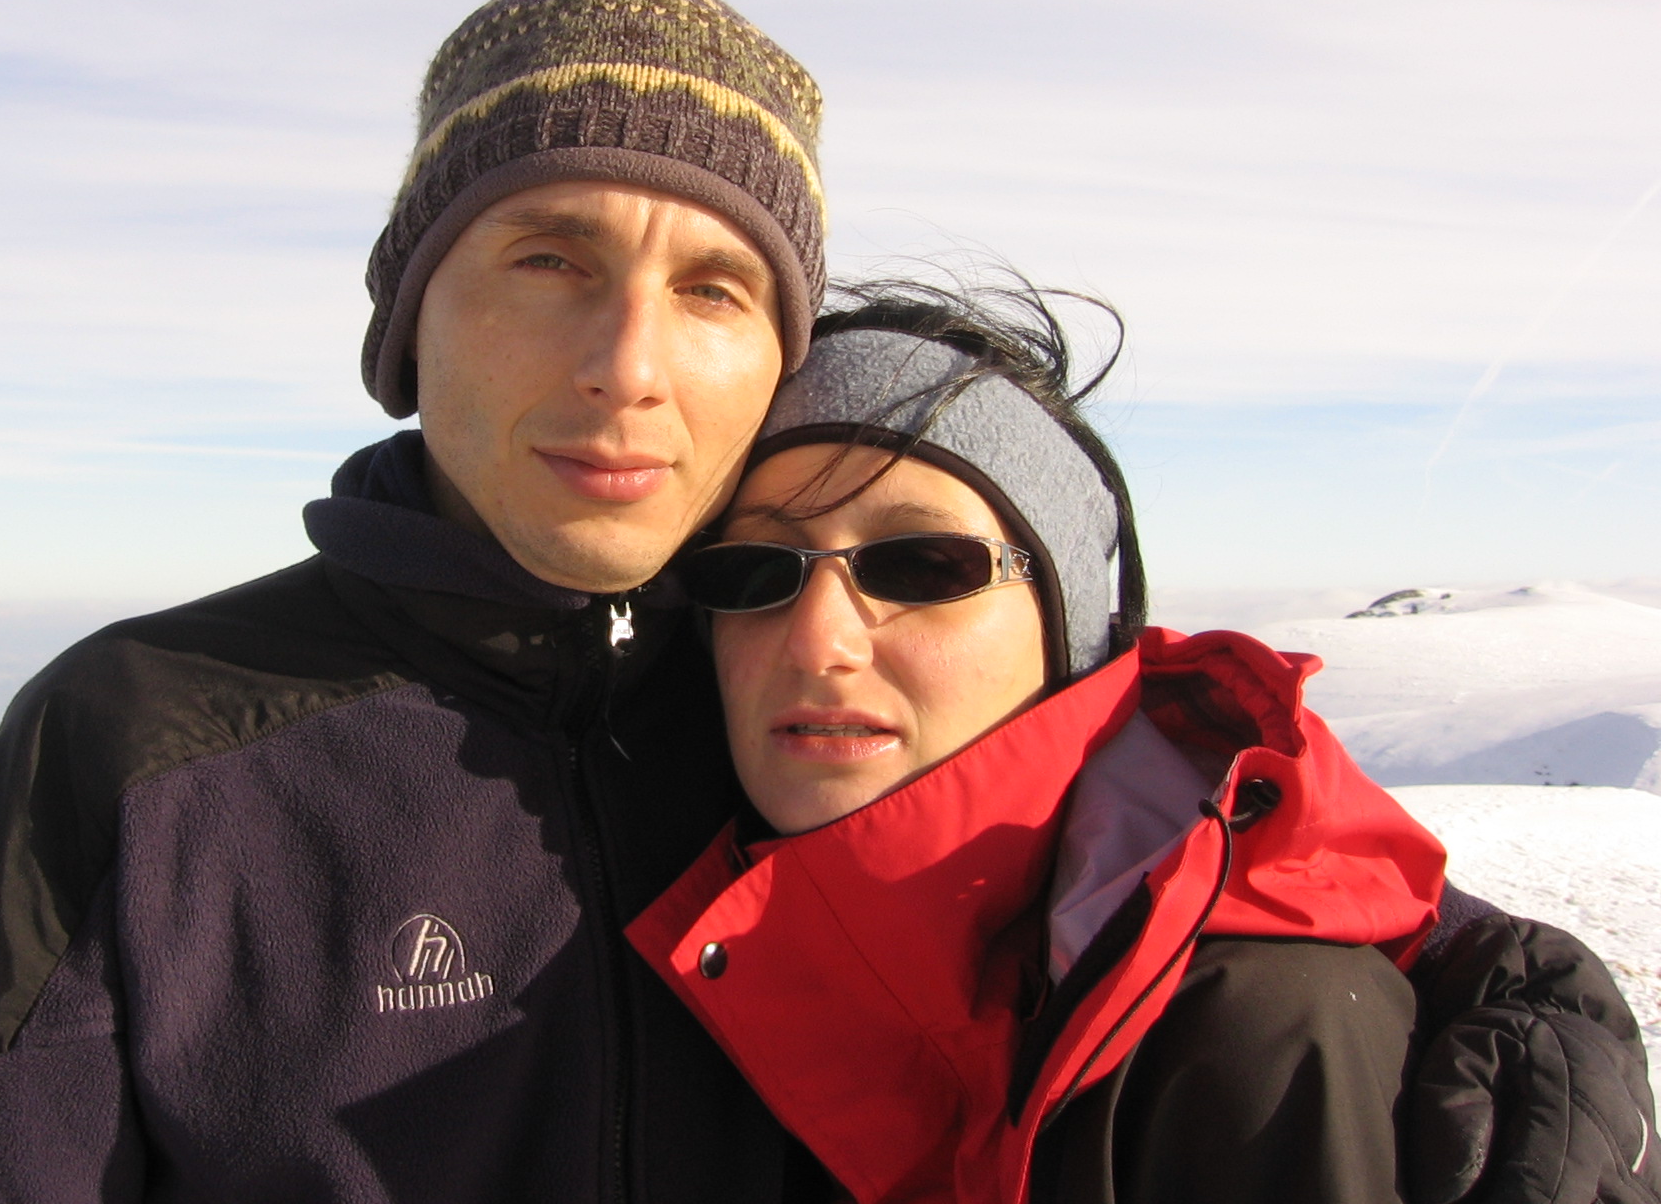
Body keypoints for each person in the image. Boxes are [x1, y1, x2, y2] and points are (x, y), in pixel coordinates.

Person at [0, 0, 1646, 1204]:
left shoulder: (812, 702)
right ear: (407, 318)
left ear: (778, 356)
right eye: (547, 258)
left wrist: (1512, 993)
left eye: (713, 288)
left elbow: (1195, 843)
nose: (628, 363)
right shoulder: (145, 753)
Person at [630, 281, 1661, 1204]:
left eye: (926, 565)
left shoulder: (1252, 1040)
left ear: (1070, 635)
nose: (819, 639)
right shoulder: (658, 929)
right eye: (751, 571)